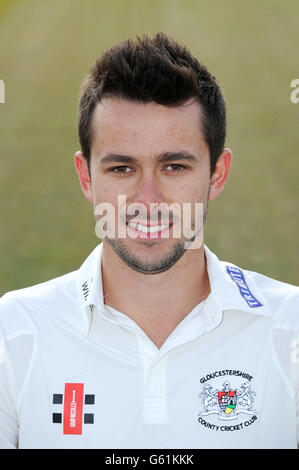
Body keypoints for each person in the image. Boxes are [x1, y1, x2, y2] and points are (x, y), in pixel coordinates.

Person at [0, 33, 298, 450]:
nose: (148, 201)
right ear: (86, 177)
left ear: (217, 174)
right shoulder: (12, 333)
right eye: (122, 169)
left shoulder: (291, 330)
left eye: (174, 166)